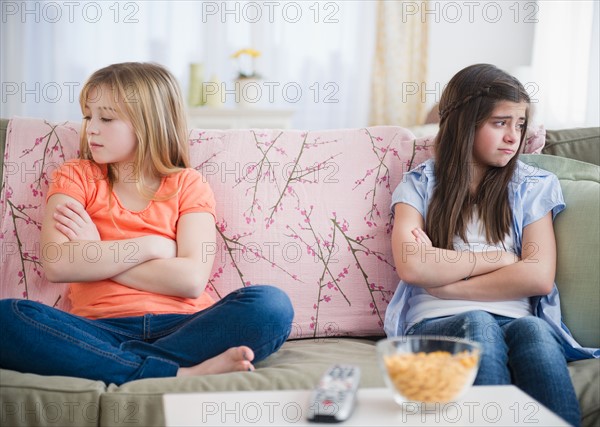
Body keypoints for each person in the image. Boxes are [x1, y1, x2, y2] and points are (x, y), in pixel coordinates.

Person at [0, 62, 294, 385]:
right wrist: (151, 246)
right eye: (88, 116)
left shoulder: (187, 184)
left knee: (271, 305)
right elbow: (57, 263)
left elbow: (191, 279)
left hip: (186, 326)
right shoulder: (76, 176)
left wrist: (95, 252)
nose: (91, 128)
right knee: (6, 317)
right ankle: (178, 371)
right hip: (100, 329)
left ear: (147, 124)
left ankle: (118, 364)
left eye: (106, 118)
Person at [384, 63, 598, 427]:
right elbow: (413, 266)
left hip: (514, 316)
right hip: (433, 320)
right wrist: (498, 257)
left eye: (519, 124)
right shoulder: (418, 185)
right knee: (479, 323)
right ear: (465, 123)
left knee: (535, 331)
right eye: (500, 123)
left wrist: (447, 282)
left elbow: (537, 276)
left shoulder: (532, 185)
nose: (513, 137)